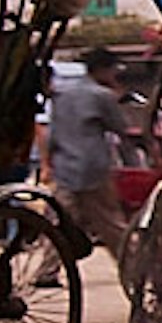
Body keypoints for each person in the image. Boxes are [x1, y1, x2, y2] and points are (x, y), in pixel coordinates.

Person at [44, 49, 129, 262]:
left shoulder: (61, 94)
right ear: (103, 70)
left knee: (59, 221)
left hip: (64, 164)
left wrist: (49, 162)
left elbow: (52, 132)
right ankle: (131, 262)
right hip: (93, 164)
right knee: (109, 221)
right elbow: (120, 127)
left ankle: (47, 269)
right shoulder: (102, 96)